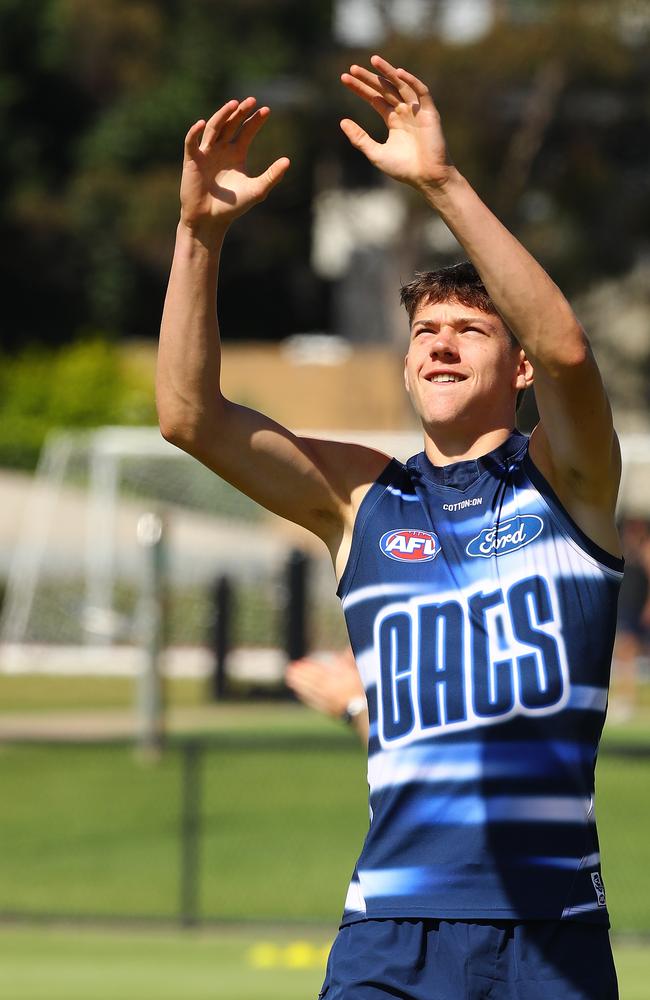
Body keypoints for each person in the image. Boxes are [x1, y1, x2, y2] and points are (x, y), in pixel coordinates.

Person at [157, 55, 622, 1000]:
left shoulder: (568, 485)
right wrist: (198, 236)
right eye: (424, 332)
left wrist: (439, 182)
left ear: (517, 369)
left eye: (470, 329)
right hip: (391, 934)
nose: (440, 341)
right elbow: (189, 417)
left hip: (550, 929)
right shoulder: (363, 498)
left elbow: (568, 349)